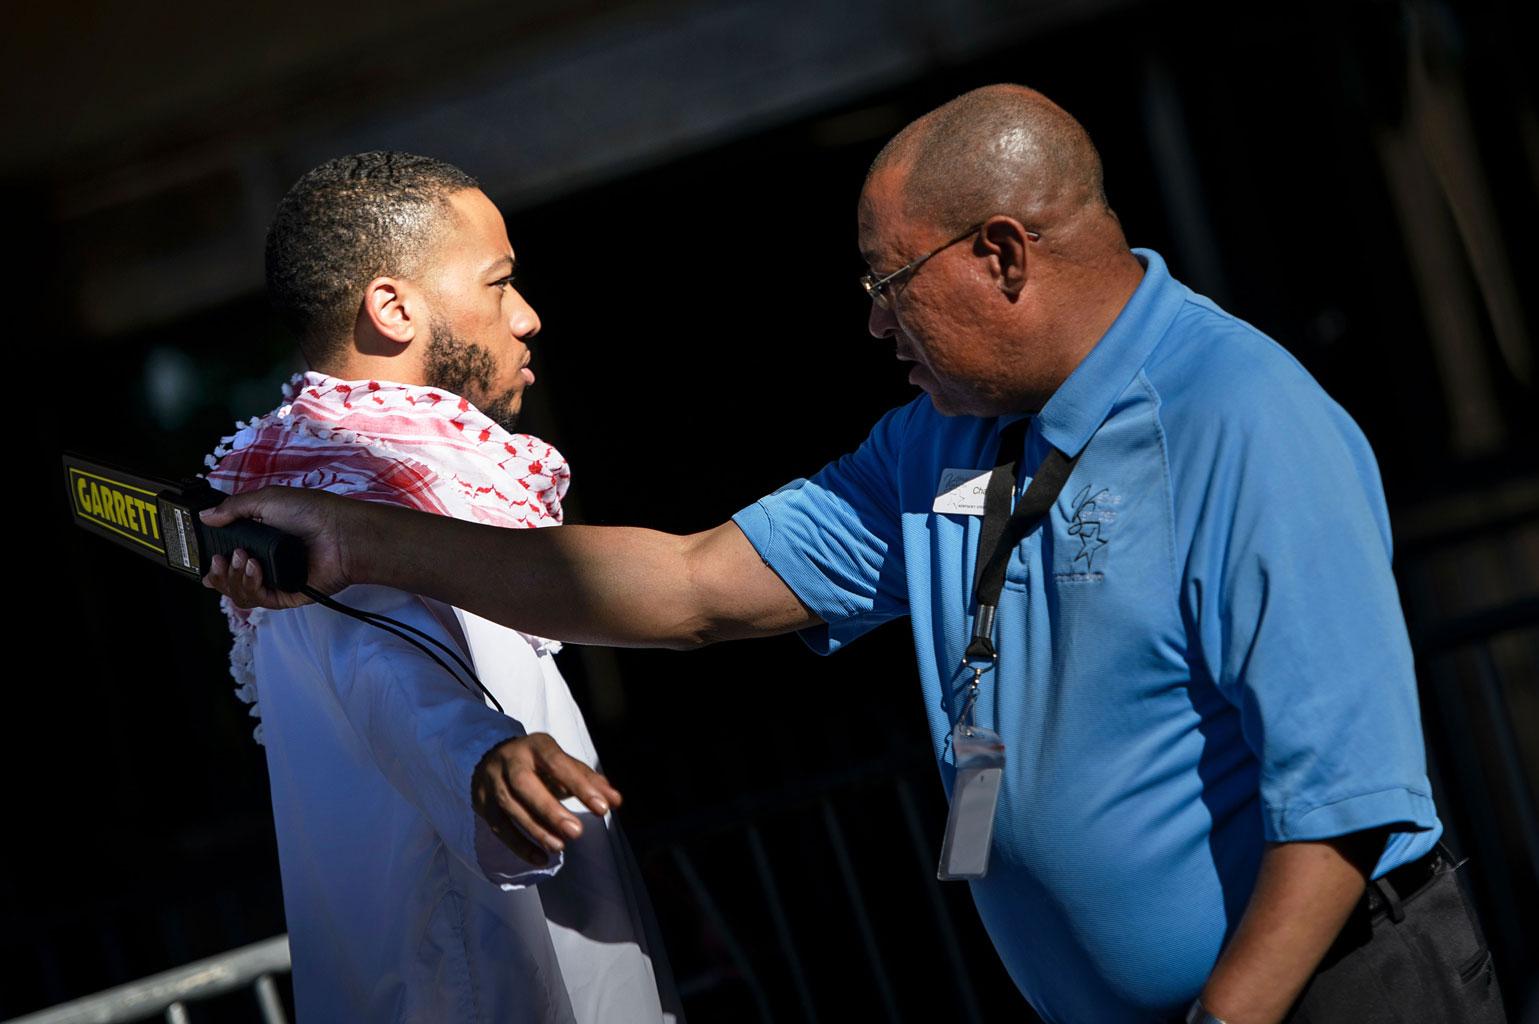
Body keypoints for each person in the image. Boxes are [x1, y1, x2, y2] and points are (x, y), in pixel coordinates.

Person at [201, 91, 1503, 1022]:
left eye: (889, 283)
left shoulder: (1237, 412)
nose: (872, 323)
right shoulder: (934, 442)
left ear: (999, 254)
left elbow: (1339, 805)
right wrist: (360, 538)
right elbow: (694, 586)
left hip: (1333, 990)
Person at [204, 152, 680, 1023]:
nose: (527, 317)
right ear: (392, 308)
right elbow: (381, 658)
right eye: (499, 283)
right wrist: (479, 754)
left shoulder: (361, 485)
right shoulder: (345, 492)